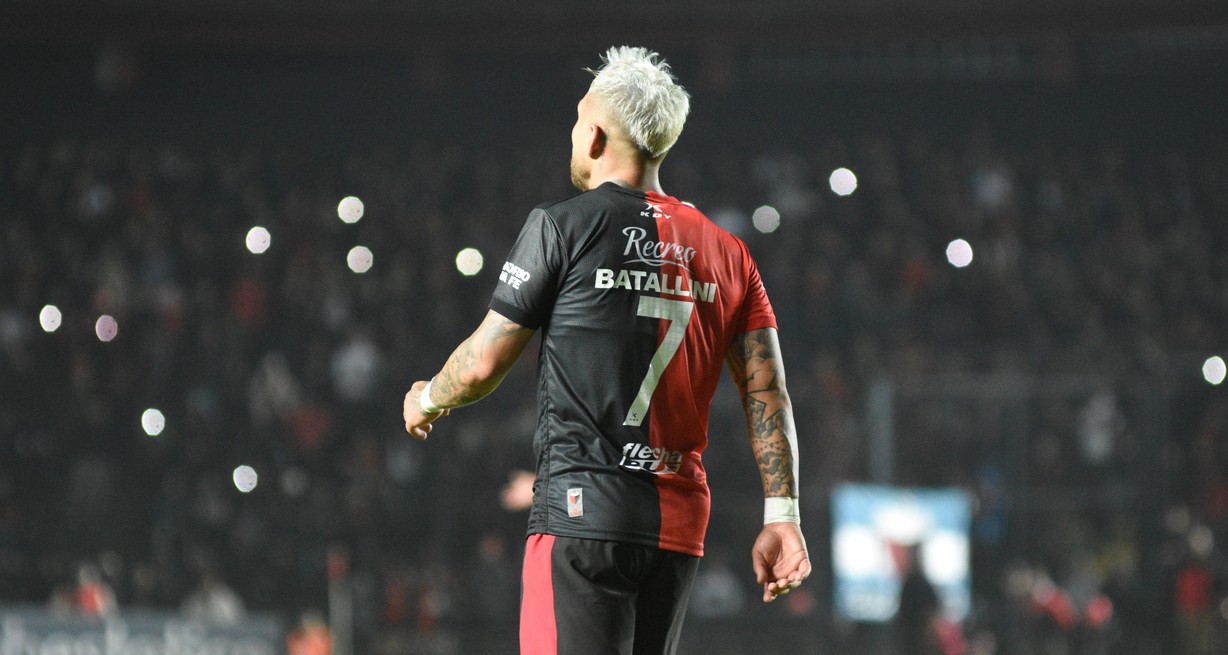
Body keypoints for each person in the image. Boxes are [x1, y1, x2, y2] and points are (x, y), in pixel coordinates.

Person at [403, 46, 810, 654]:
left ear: (593, 135)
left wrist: (428, 397)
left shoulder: (562, 226)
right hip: (677, 526)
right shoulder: (730, 254)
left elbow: (483, 363)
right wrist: (783, 515)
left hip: (581, 516)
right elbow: (766, 390)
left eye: (576, 120)